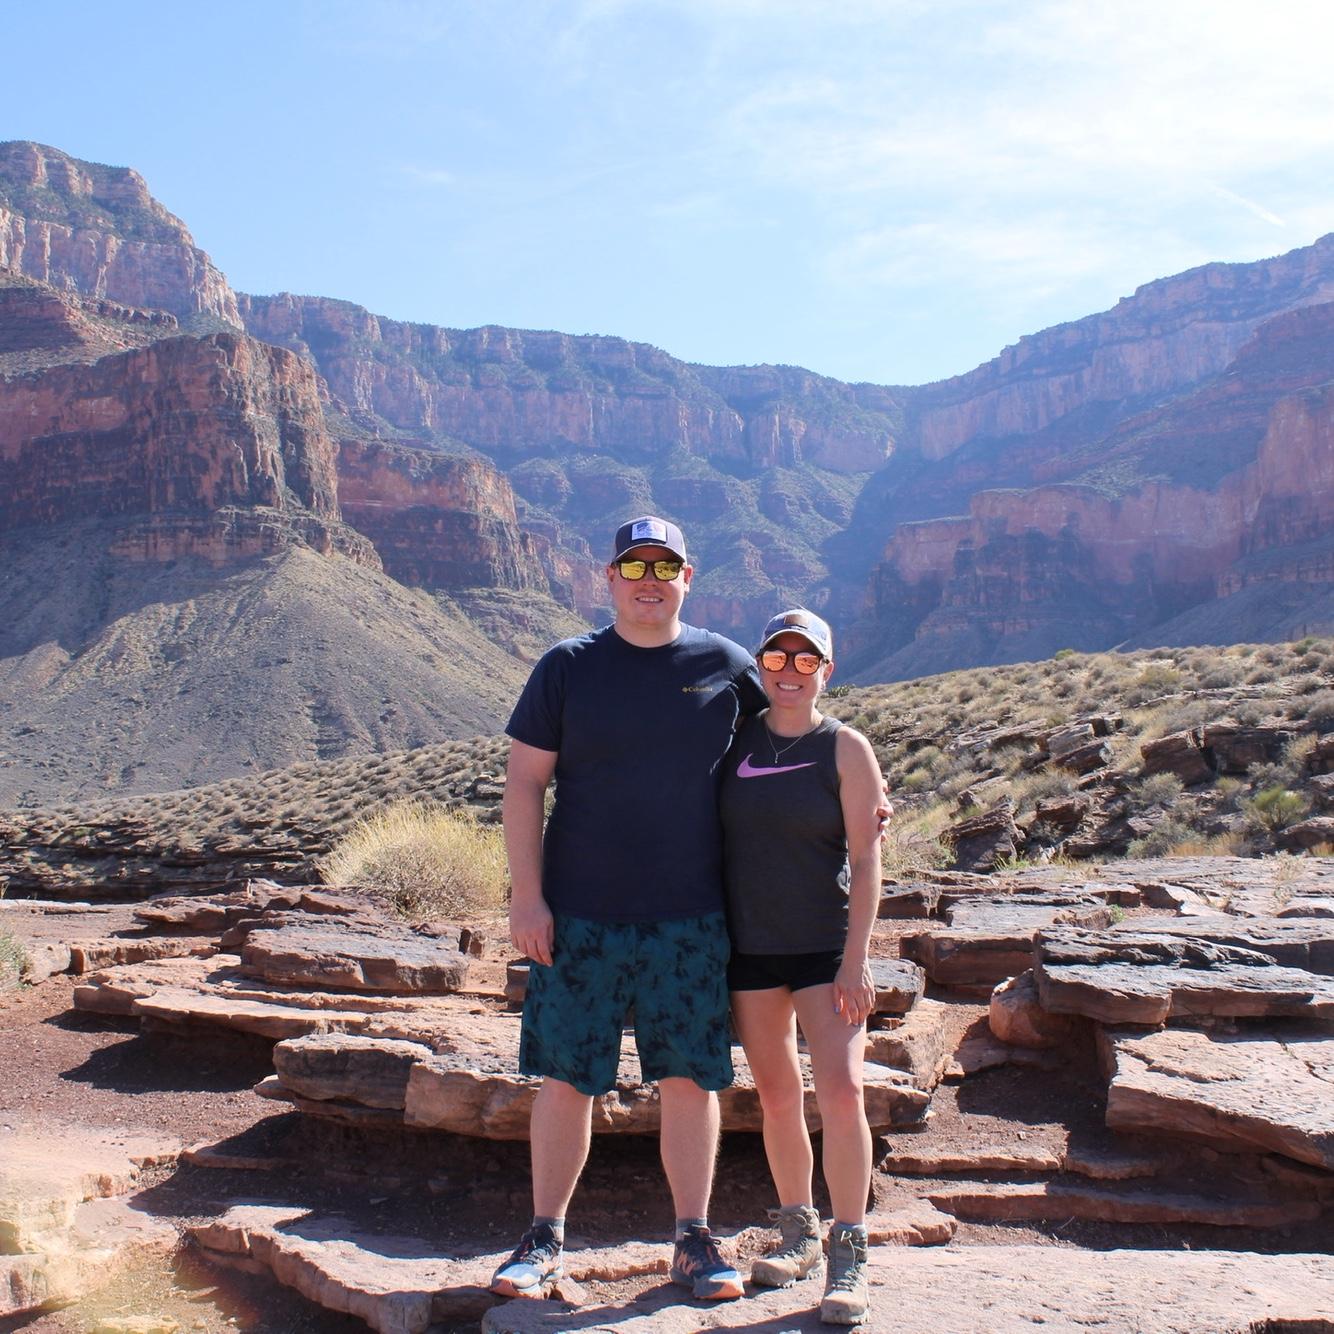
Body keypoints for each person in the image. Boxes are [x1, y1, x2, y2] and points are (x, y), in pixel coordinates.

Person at [491, 515, 768, 1303]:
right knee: (567, 1077)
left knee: (689, 1079)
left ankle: (692, 1238)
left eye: (666, 567)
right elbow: (523, 784)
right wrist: (528, 896)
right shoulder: (567, 667)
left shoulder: (729, 665)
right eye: (635, 567)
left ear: (689, 577)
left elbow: (793, 747)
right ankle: (543, 1238)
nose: (650, 580)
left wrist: (862, 791)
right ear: (606, 577)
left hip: (691, 915)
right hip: (578, 915)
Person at [719, 608, 883, 1325]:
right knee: (778, 1097)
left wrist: (857, 961)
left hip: (824, 946)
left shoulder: (845, 748)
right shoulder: (733, 742)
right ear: (761, 666)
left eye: (805, 660)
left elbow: (869, 859)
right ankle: (799, 1234)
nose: (789, 672)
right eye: (777, 659)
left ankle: (850, 1249)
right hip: (750, 947)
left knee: (842, 1092)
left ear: (826, 670)